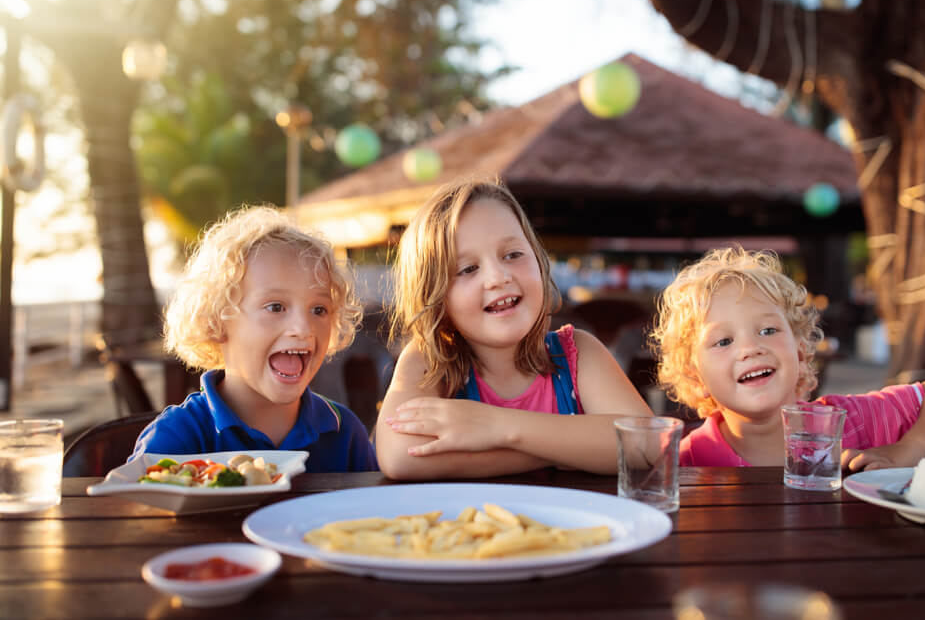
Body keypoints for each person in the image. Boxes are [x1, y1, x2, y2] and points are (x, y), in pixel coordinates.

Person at [375, 178, 653, 479]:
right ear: (435, 296)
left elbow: (646, 444)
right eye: (468, 269)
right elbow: (399, 456)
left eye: (512, 254)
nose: (498, 277)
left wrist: (497, 426)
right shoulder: (430, 361)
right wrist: (558, 451)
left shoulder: (577, 353)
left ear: (539, 260)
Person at [649, 246, 925, 469]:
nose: (750, 348)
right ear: (695, 376)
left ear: (801, 350)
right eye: (723, 341)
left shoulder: (849, 422)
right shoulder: (687, 462)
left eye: (767, 331)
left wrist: (906, 451)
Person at [130, 206, 378, 472]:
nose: (303, 328)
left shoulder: (345, 432)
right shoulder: (177, 437)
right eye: (276, 307)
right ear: (215, 321)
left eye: (319, 310)